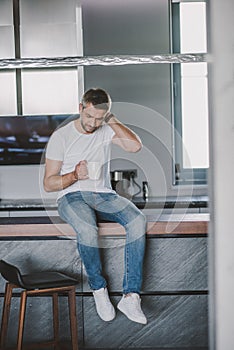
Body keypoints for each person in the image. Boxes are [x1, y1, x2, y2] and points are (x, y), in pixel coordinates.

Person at [44, 88, 147, 324]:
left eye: (99, 118)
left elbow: (135, 146)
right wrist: (72, 176)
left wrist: (110, 119)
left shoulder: (106, 127)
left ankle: (131, 296)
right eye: (89, 116)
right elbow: (49, 184)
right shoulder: (61, 137)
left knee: (137, 220)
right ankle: (98, 289)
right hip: (72, 195)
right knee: (88, 229)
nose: (93, 123)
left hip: (103, 195)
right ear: (80, 108)